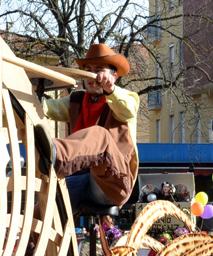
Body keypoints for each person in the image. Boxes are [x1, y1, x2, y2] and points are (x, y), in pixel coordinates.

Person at [40, 43, 139, 211]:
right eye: (88, 69)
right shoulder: (76, 99)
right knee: (43, 207)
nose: (92, 75)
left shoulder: (125, 98)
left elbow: (128, 111)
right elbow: (48, 108)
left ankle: (55, 154)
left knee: (100, 135)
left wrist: (111, 90)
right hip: (84, 179)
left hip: (115, 182)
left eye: (98, 70)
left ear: (113, 77)